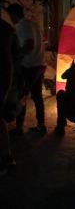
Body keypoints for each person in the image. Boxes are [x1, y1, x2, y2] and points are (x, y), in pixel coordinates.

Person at [6, 3, 46, 134]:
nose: (10, 19)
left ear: (14, 14)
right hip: (39, 64)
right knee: (37, 97)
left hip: (29, 66)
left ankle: (18, 128)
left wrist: (17, 56)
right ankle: (41, 125)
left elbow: (29, 45)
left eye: (10, 16)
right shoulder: (33, 24)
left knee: (21, 95)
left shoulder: (21, 26)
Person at [0, 16, 16, 174]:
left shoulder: (4, 28)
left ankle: (5, 158)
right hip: (6, 75)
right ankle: (6, 156)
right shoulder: (7, 28)